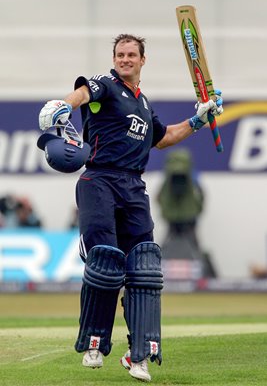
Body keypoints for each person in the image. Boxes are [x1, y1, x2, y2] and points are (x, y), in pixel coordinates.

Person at [38, 34, 223, 382]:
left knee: (144, 267)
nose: (125, 59)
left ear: (142, 60)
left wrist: (198, 119)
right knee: (106, 261)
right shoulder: (106, 86)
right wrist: (63, 105)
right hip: (100, 180)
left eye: (131, 55)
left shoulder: (142, 103)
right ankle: (94, 341)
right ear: (115, 59)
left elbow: (163, 138)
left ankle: (139, 353)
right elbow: (83, 93)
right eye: (120, 54)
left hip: (134, 186)